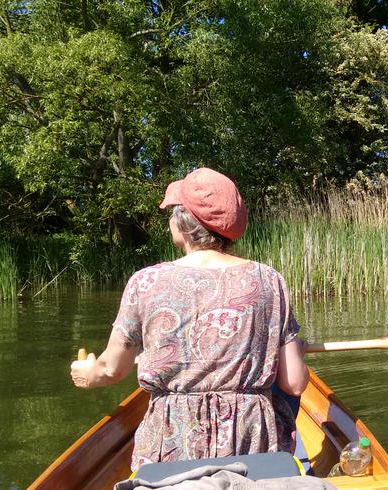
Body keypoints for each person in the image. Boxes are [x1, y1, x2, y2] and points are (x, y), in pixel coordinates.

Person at [70, 167, 309, 471]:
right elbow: (295, 383)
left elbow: (110, 370)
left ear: (183, 222)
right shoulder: (268, 280)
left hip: (172, 444)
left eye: (172, 213)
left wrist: (87, 373)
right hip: (253, 444)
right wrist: (296, 354)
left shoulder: (146, 282)